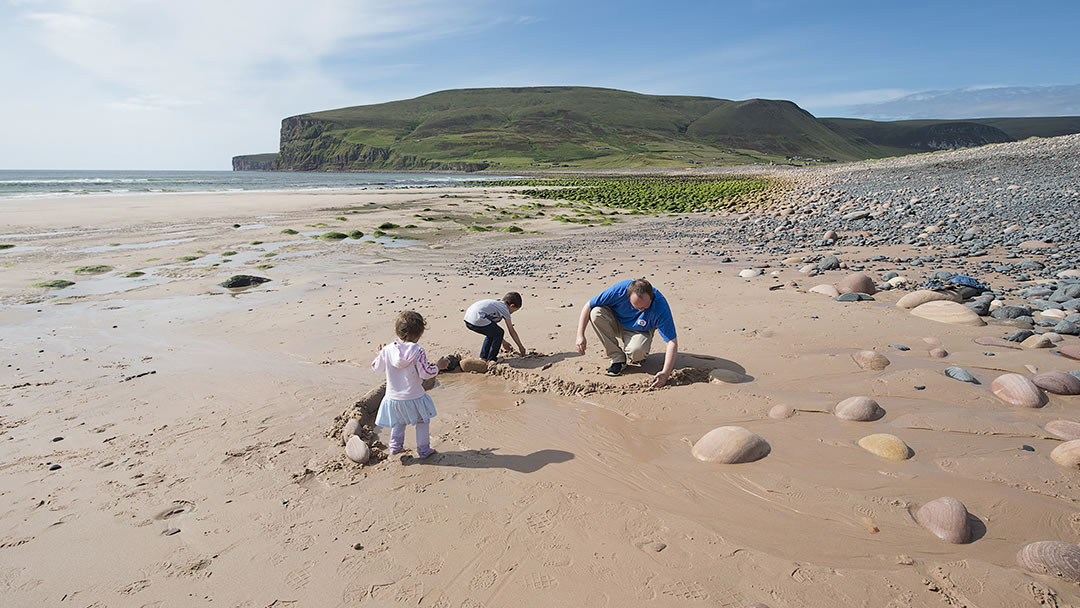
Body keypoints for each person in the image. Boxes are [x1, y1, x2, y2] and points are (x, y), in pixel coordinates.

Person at [371, 310, 448, 458]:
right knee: (422, 421)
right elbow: (425, 373)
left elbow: (377, 368)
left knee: (398, 422)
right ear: (419, 334)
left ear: (396, 331)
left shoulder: (387, 350)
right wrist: (438, 366)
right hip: (414, 396)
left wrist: (379, 355)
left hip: (393, 398)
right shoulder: (418, 350)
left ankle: (395, 447)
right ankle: (424, 450)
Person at [575, 278, 678, 388]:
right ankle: (617, 358)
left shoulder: (660, 305)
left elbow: (672, 342)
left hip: (640, 330)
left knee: (637, 354)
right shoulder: (619, 290)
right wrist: (580, 335)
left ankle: (633, 351)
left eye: (645, 307)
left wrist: (665, 373)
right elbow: (588, 305)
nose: (641, 310)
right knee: (596, 313)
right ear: (627, 296)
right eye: (637, 306)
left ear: (651, 297)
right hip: (617, 323)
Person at [464, 292, 526, 361]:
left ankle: (483, 357)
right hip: (477, 318)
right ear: (512, 306)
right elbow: (511, 330)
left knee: (492, 333)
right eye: (513, 311)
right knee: (500, 332)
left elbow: (492, 329)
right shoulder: (504, 309)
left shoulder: (496, 305)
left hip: (468, 319)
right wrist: (520, 347)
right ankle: (492, 359)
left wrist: (503, 342)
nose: (511, 313)